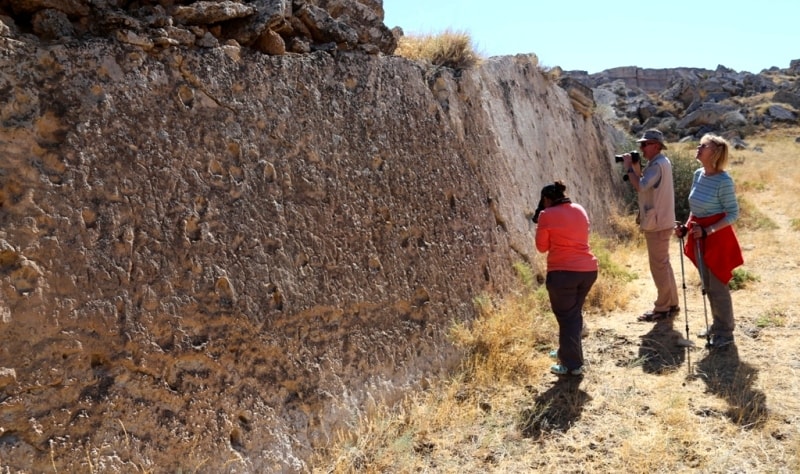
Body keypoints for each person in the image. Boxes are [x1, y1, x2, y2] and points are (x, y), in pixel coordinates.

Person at [676, 134, 743, 349]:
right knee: (707, 285)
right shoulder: (698, 174)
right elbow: (694, 210)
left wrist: (708, 230)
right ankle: (717, 325)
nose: (698, 147)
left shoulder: (724, 180)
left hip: (717, 239)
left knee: (718, 286)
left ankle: (726, 333)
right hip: (700, 236)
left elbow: (733, 214)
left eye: (703, 146)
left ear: (714, 153)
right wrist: (686, 227)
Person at [534, 181, 598, 376]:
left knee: (567, 318)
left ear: (546, 199)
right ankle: (566, 351)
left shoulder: (546, 215)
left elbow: (542, 247)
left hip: (563, 274)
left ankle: (572, 365)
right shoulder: (579, 209)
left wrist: (544, 220)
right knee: (573, 314)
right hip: (588, 271)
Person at [621, 129, 680, 322]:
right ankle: (671, 304)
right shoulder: (660, 163)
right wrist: (637, 167)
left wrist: (629, 167)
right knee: (664, 265)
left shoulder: (657, 165)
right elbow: (646, 187)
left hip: (657, 224)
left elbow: (641, 186)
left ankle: (662, 308)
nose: (642, 148)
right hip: (662, 221)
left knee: (659, 267)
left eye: (645, 144)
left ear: (656, 145)